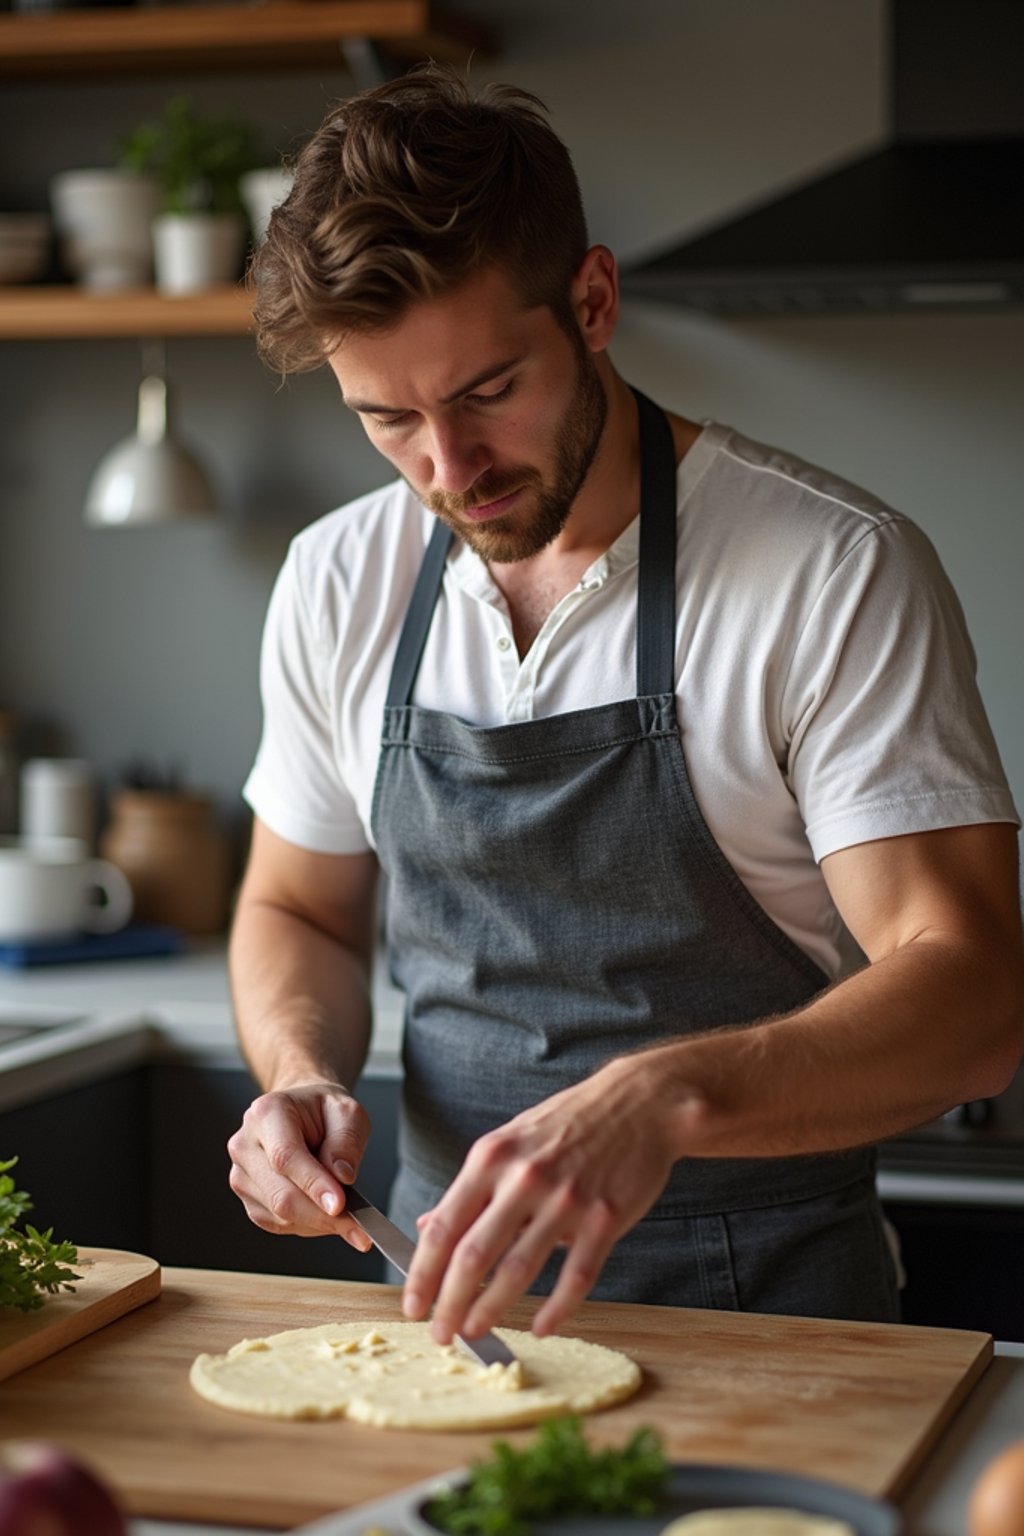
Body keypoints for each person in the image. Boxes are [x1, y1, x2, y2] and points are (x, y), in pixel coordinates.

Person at [226, 66, 1023, 1345]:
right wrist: (301, 1075)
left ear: (591, 300)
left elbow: (972, 994)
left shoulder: (829, 569)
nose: (448, 468)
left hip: (773, 1326)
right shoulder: (337, 577)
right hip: (443, 1313)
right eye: (386, 419)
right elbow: (295, 908)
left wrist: (662, 1099)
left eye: (487, 392)